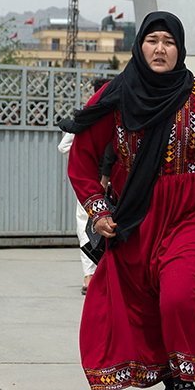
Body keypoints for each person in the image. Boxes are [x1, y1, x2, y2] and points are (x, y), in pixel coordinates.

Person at [62, 11, 195, 390]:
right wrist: (97, 210)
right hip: (137, 216)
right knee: (146, 303)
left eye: (169, 41)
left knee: (180, 293)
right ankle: (169, 380)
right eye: (153, 40)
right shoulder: (115, 96)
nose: (161, 48)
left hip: (193, 211)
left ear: (179, 48)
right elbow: (82, 158)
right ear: (140, 46)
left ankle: (185, 381)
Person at [58, 77, 115, 292]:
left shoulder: (88, 118)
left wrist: (83, 161)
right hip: (116, 184)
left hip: (90, 187)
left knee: (86, 227)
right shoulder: (123, 115)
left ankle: (90, 276)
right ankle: (104, 276)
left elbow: (63, 147)